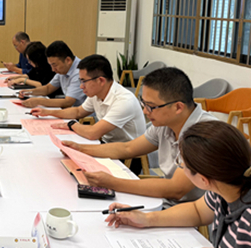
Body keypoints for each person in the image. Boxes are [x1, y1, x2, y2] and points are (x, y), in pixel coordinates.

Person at [61, 67, 216, 207]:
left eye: (151, 106)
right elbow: (128, 148)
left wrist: (112, 182)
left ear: (178, 107)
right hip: (166, 200)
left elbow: (176, 189)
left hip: (190, 209)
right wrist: (79, 149)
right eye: (144, 104)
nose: (145, 112)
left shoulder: (203, 134)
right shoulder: (165, 123)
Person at [105, 121, 251, 248]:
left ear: (203, 180)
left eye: (181, 164)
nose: (180, 167)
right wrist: (146, 219)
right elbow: (197, 211)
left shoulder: (247, 218)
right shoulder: (223, 188)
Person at [33, 54, 146, 144]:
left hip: (128, 157)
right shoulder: (97, 94)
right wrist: (47, 112)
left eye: (84, 81)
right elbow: (78, 112)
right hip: (108, 144)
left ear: (101, 81)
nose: (81, 86)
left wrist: (71, 125)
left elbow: (93, 133)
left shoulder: (124, 101)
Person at [20, 41, 86, 109]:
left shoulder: (79, 72)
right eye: (51, 65)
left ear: (68, 60)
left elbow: (68, 102)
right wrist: (28, 92)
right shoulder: (63, 68)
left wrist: (39, 101)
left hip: (82, 113)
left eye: (54, 65)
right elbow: (48, 88)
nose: (53, 70)